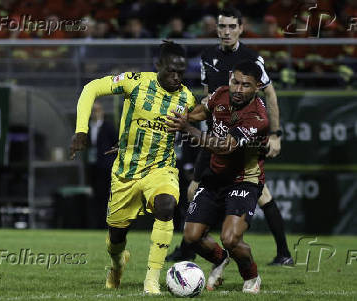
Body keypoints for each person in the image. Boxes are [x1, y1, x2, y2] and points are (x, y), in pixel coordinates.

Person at [166, 7, 293, 266]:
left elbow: (270, 94)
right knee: (194, 191)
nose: (225, 32)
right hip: (213, 137)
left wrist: (276, 134)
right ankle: (195, 247)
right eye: (221, 26)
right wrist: (190, 117)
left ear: (240, 28)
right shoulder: (207, 56)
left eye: (231, 27)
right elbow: (206, 99)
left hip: (239, 139)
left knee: (261, 193)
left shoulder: (251, 59)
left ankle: (282, 253)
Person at [69, 41, 196, 294]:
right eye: (171, 71)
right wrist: (81, 130)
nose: (176, 77)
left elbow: (198, 120)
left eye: (181, 73)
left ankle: (152, 279)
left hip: (162, 170)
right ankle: (117, 265)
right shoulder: (135, 81)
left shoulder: (187, 98)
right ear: (158, 65)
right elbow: (91, 88)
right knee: (115, 239)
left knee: (167, 205)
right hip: (125, 173)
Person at [166, 60, 269, 293]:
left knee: (231, 238)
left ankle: (251, 276)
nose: (238, 89)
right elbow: (204, 111)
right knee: (191, 237)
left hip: (244, 179)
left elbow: (224, 147)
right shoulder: (221, 93)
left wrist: (187, 129)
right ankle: (220, 259)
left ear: (258, 87)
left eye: (245, 85)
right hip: (215, 176)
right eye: (235, 82)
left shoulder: (258, 117)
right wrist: (186, 116)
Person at [86, 101, 118, 229]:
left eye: (97, 110)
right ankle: (97, 223)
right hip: (93, 166)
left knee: (107, 195)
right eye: (93, 111)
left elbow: (116, 144)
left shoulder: (108, 126)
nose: (95, 113)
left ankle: (108, 223)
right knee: (96, 195)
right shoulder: (88, 127)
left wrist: (110, 158)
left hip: (106, 167)